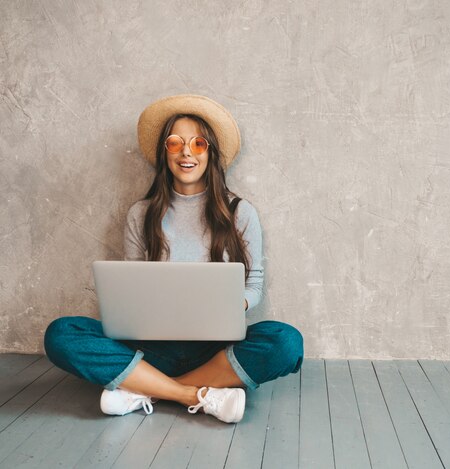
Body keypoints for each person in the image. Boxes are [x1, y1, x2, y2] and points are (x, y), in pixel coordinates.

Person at [44, 94, 304, 423]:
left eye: (197, 144)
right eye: (175, 142)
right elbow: (131, 288)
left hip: (215, 350)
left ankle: (142, 389)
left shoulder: (241, 212)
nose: (186, 152)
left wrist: (229, 306)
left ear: (211, 152)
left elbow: (253, 285)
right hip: (152, 349)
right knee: (61, 333)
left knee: (286, 342)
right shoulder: (141, 214)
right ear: (163, 152)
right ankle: (196, 394)